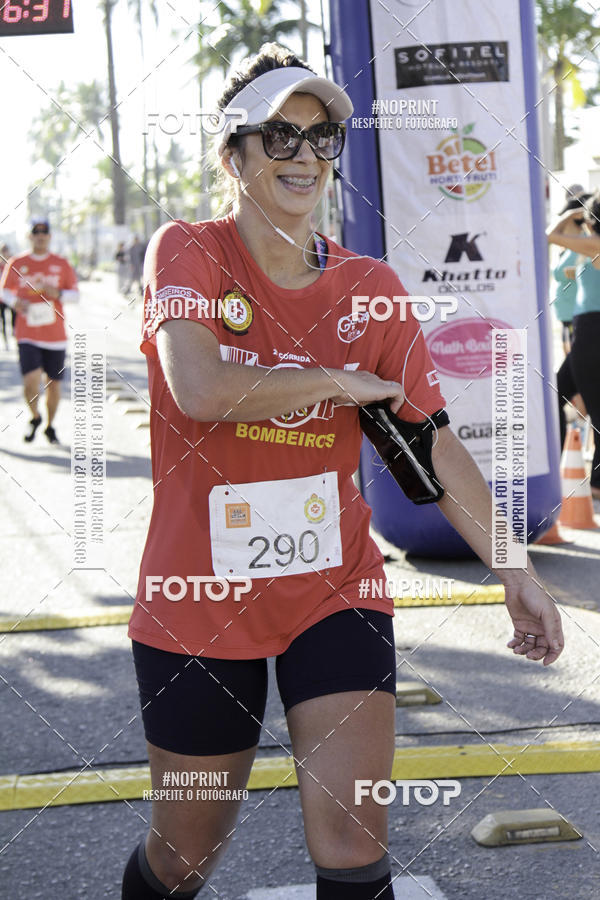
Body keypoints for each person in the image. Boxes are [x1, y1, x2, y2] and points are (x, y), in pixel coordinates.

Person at [122, 44, 564, 900]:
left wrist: (517, 571)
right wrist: (339, 379)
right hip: (197, 601)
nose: (303, 157)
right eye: (278, 137)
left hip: (335, 591)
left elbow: (432, 441)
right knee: (185, 856)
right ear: (233, 154)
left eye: (322, 138)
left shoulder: (373, 286)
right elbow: (201, 388)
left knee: (353, 843)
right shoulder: (188, 252)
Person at [0, 218, 79, 444]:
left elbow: (75, 295)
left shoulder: (61, 264)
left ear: (50, 236)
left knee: (54, 385)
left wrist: (59, 293)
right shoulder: (17, 262)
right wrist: (16, 302)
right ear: (30, 236)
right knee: (31, 380)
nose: (40, 236)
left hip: (55, 336)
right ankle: (34, 416)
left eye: (44, 233)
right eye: (36, 233)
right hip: (27, 332)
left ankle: (49, 426)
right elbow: (4, 292)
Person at [548, 189, 600, 499]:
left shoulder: (595, 244)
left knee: (594, 407)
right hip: (587, 330)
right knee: (556, 393)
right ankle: (578, 475)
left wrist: (571, 214)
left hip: (592, 329)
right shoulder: (591, 244)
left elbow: (551, 235)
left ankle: (596, 483)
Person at [550, 192, 590, 452]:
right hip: (572, 327)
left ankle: (565, 454)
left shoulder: (586, 243)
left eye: (569, 217)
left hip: (583, 327)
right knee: (577, 394)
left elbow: (549, 236)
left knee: (562, 393)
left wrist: (566, 221)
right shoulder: (575, 245)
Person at [0, 243, 17, 349]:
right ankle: (5, 341)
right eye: (3, 251)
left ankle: (15, 339)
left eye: (6, 250)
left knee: (14, 319)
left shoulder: (13, 265)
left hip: (12, 297)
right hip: (1, 298)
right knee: (3, 320)